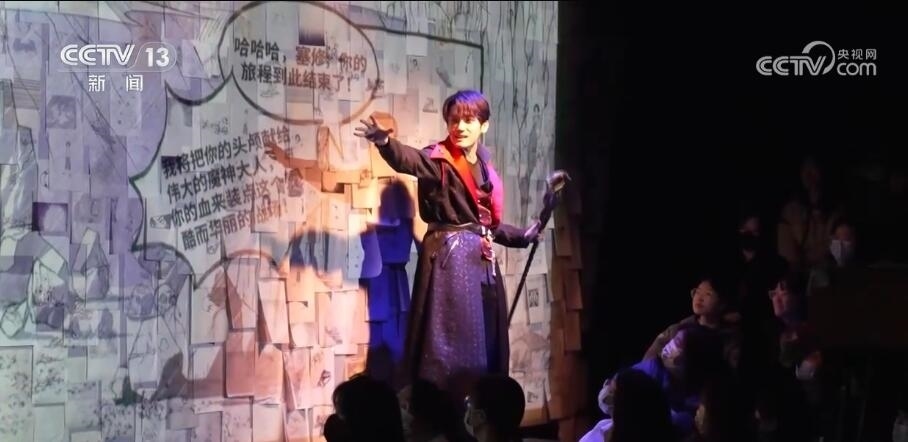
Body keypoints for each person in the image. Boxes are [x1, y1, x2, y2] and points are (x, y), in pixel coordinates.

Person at [352, 90, 542, 399]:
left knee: (485, 341)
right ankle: (446, 406)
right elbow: (410, 160)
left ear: (484, 125)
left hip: (481, 263)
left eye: (468, 120)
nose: (460, 127)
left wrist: (523, 236)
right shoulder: (438, 159)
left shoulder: (484, 168)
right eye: (454, 120)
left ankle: (481, 407)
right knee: (452, 346)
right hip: (450, 261)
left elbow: (484, 224)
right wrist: (385, 143)